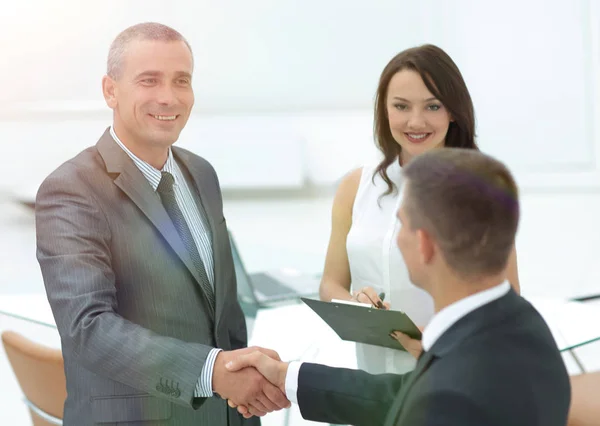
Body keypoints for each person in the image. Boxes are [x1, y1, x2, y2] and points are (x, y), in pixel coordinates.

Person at [35, 22, 288, 426]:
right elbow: (88, 328)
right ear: (110, 90)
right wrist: (212, 371)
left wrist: (242, 389)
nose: (168, 97)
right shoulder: (71, 189)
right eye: (149, 80)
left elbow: (223, 312)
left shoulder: (200, 173)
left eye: (181, 81)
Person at [226, 149, 571, 426]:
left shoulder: (450, 395)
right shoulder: (522, 325)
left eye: (400, 225)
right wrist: (289, 377)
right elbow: (400, 395)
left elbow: (420, 402)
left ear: (424, 245)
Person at [318, 44, 520, 375]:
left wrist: (439, 340)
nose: (416, 121)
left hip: (449, 379)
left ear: (453, 111)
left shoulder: (481, 192)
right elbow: (330, 283)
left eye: (432, 106)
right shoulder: (356, 186)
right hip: (369, 383)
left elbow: (507, 303)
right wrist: (353, 304)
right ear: (385, 110)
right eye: (401, 106)